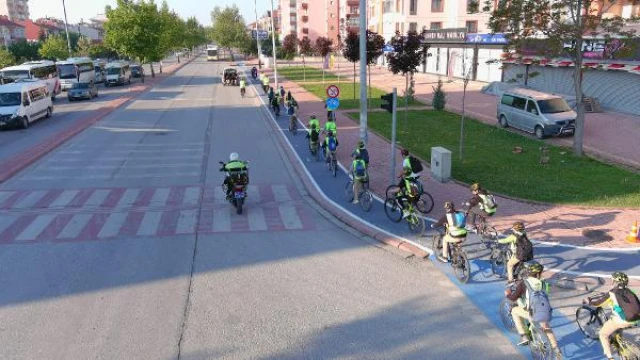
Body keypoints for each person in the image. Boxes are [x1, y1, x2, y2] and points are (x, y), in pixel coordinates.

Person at [505, 261, 562, 358]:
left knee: (514, 311)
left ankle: (523, 335)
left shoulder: (524, 283)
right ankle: (556, 349)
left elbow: (513, 298)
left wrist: (508, 294)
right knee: (546, 327)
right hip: (545, 311)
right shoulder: (544, 283)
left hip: (531, 312)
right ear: (539, 274)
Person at [587, 272, 640, 360]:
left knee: (603, 334)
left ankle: (610, 357)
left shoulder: (612, 293)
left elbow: (598, 303)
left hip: (623, 320)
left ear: (614, 282)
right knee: (618, 326)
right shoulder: (630, 291)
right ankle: (620, 341)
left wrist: (590, 302)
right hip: (636, 318)